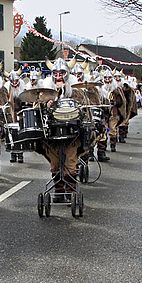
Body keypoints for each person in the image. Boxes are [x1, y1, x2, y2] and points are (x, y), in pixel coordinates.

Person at [39, 58, 88, 201]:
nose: (59, 76)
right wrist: (45, 105)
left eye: (62, 73)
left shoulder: (77, 91)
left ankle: (70, 191)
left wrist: (79, 114)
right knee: (55, 163)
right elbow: (37, 111)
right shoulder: (45, 92)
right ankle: (59, 192)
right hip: (52, 134)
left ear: (67, 74)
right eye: (56, 73)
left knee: (71, 163)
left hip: (71, 134)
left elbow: (85, 110)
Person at [4, 69, 25, 163]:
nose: (14, 83)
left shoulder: (24, 91)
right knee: (12, 134)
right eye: (12, 81)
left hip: (21, 115)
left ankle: (20, 154)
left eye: (16, 81)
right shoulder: (6, 91)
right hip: (11, 116)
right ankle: (13, 153)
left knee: (21, 134)